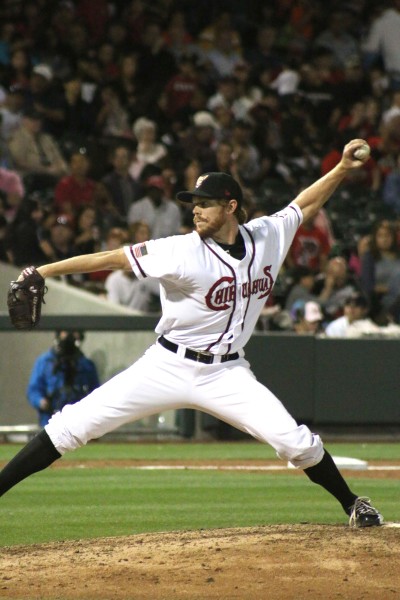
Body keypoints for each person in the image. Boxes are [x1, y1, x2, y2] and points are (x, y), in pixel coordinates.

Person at [0, 139, 383, 528]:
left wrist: (341, 169)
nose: (196, 210)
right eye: (193, 203)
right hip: (166, 364)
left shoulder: (267, 236)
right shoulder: (179, 250)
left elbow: (304, 205)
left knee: (294, 441)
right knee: (72, 425)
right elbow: (111, 257)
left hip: (227, 373)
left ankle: (353, 503)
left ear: (231, 206)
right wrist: (44, 271)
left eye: (205, 202)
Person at [27, 331, 100, 427]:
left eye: (74, 331)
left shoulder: (86, 365)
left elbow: (96, 394)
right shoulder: (45, 362)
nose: (69, 336)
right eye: (65, 331)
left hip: (79, 423)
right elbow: (33, 390)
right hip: (50, 422)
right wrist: (41, 402)